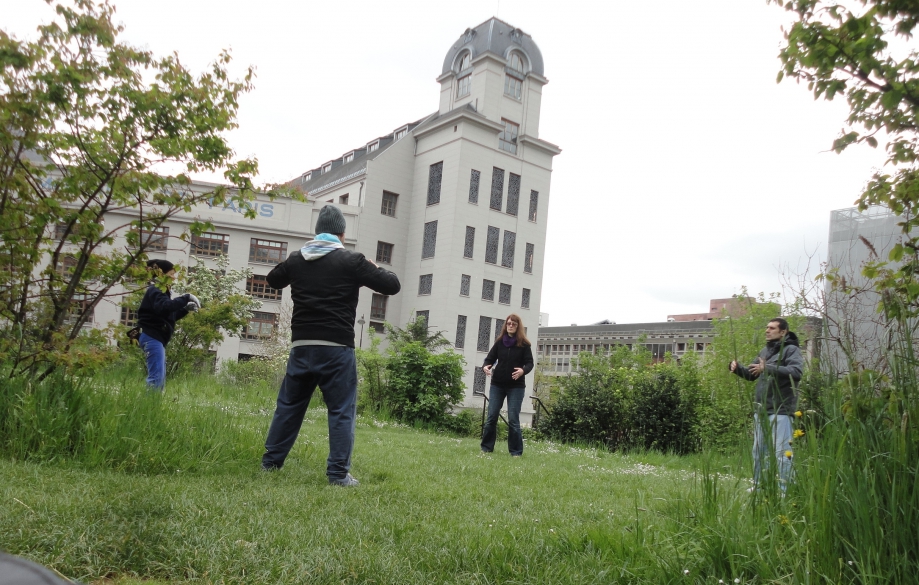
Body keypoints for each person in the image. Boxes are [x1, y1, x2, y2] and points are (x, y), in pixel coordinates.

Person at [261, 205, 401, 486]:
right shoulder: (351, 260)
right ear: (341, 233)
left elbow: (273, 279)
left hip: (301, 346)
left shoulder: (297, 259)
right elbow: (392, 285)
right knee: (340, 410)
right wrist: (373, 267)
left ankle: (270, 464)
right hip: (336, 348)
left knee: (288, 407)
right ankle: (338, 474)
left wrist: (295, 262)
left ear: (316, 233)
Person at [730, 317, 803, 492]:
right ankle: (759, 486)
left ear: (783, 332)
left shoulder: (791, 350)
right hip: (762, 409)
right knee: (758, 450)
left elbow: (796, 372)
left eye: (772, 328)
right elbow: (751, 375)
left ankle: (783, 489)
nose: (767, 330)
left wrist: (768, 368)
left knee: (782, 453)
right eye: (766, 327)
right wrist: (736, 368)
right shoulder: (765, 351)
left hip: (782, 410)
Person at [136, 259, 201, 390]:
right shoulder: (155, 290)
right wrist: (186, 297)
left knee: (159, 379)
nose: (174, 277)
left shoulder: (160, 292)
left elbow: (168, 315)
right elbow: (165, 307)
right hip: (151, 337)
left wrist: (184, 310)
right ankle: (149, 408)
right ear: (161, 274)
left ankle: (151, 406)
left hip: (154, 337)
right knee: (156, 380)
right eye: (171, 273)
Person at [480, 314, 535, 456]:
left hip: (516, 387)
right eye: (508, 323)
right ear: (506, 325)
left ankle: (516, 452)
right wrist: (486, 366)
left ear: (518, 326)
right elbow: (489, 359)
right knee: (492, 416)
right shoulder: (499, 342)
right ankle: (486, 448)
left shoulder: (524, 345)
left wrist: (523, 370)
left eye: (513, 324)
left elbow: (530, 363)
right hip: (497, 385)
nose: (510, 325)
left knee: (513, 419)